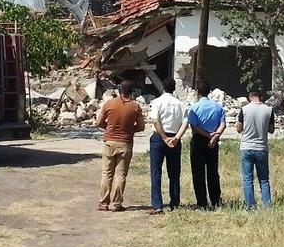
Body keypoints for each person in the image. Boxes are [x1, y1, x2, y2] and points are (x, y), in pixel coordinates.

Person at [96, 80, 145, 212]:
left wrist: (108, 128)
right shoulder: (135, 107)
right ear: (131, 92)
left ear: (119, 91)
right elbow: (141, 126)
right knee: (120, 175)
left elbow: (99, 122)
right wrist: (129, 129)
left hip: (109, 142)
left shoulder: (109, 104)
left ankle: (103, 203)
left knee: (107, 173)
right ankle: (116, 203)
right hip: (125, 143)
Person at [148, 78, 189, 215]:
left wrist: (164, 138)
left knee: (156, 171)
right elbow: (185, 123)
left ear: (163, 88)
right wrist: (176, 138)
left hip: (159, 137)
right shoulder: (181, 104)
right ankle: (175, 202)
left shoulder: (157, 102)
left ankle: (157, 204)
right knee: (174, 172)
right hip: (175, 138)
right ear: (174, 88)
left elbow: (155, 120)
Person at [187, 80, 226, 209]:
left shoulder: (195, 107)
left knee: (198, 172)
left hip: (199, 140)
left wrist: (208, 135)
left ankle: (202, 202)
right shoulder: (218, 106)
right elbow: (223, 123)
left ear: (197, 92)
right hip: (213, 141)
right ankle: (215, 199)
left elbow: (194, 127)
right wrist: (216, 135)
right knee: (213, 171)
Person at [236, 90, 275, 210]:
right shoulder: (269, 110)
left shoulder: (245, 109)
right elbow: (271, 129)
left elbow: (238, 128)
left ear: (250, 97)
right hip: (262, 147)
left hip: (247, 147)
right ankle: (267, 206)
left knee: (248, 179)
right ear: (261, 97)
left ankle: (250, 206)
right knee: (264, 179)